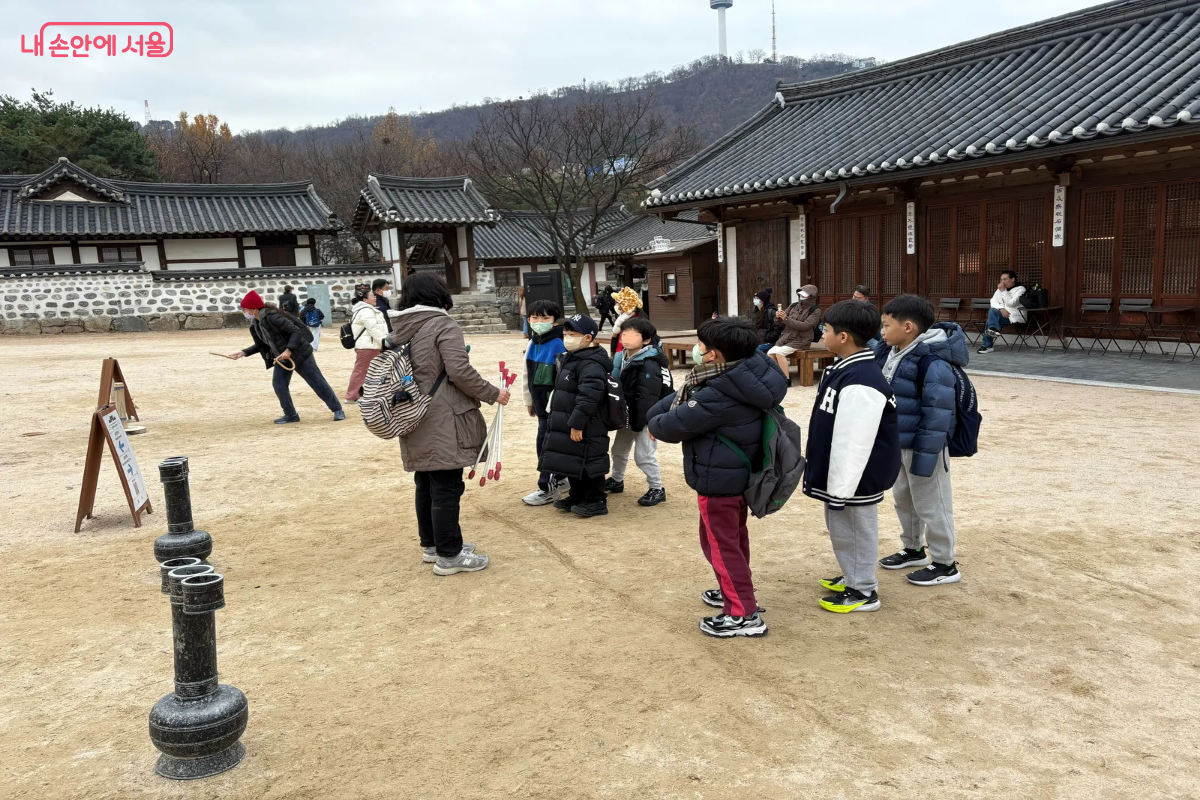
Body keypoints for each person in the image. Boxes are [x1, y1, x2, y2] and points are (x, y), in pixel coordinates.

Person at [647, 317, 787, 638]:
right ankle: (737, 591)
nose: (697, 350)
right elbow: (675, 405)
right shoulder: (751, 372)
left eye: (701, 345)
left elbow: (665, 425)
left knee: (721, 545)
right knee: (733, 539)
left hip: (718, 478)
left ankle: (742, 613)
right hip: (739, 475)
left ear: (714, 355)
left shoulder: (717, 393)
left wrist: (657, 416)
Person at [387, 272, 510, 575]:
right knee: (445, 484)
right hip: (442, 415)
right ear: (438, 294)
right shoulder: (443, 324)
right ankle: (449, 554)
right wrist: (493, 393)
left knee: (426, 481)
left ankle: (432, 545)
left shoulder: (402, 327)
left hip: (413, 411)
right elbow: (459, 370)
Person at [802, 300, 901, 613]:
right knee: (842, 528)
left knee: (856, 529)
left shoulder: (861, 380)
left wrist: (841, 489)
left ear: (843, 337)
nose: (823, 333)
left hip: (857, 476)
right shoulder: (847, 369)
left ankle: (863, 590)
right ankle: (853, 575)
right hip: (843, 474)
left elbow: (855, 442)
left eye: (826, 329)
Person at [874, 294, 969, 586]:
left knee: (933, 502)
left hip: (924, 445)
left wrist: (927, 454)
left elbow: (938, 412)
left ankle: (945, 562)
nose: (881, 331)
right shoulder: (889, 352)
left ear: (908, 327)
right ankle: (914, 548)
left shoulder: (931, 361)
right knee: (904, 498)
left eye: (885, 325)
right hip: (898, 441)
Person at [226, 290, 344, 424]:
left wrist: (289, 350)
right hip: (282, 358)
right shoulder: (256, 323)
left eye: (245, 309)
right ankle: (291, 414)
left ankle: (337, 409)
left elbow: (295, 331)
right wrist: (243, 352)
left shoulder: (272, 317)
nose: (244, 312)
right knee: (279, 385)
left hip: (300, 353)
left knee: (317, 382)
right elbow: (264, 343)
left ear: (253, 309)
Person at [540, 314, 613, 517]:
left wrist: (577, 423)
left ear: (588, 338)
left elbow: (589, 398)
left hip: (587, 423)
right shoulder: (574, 357)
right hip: (570, 419)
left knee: (590, 461)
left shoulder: (591, 364)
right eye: (565, 333)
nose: (567, 337)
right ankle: (578, 494)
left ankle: (596, 500)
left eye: (572, 334)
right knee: (572, 458)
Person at [606, 316, 670, 507]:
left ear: (646, 340)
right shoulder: (622, 357)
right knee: (618, 450)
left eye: (633, 334)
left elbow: (648, 397)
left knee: (644, 455)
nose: (626, 337)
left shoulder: (649, 363)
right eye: (624, 333)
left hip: (646, 417)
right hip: (627, 414)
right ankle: (616, 480)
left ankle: (657, 488)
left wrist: (643, 421)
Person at [521, 299, 570, 506]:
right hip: (541, 407)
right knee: (546, 443)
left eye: (545, 317)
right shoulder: (533, 342)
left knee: (548, 445)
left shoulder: (559, 343)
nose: (539, 321)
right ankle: (561, 478)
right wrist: (529, 400)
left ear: (554, 321)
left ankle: (548, 487)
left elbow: (564, 378)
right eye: (535, 317)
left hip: (556, 407)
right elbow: (527, 375)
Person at [767, 284, 822, 385]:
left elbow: (805, 325)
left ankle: (786, 379)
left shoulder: (815, 310)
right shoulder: (793, 305)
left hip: (801, 340)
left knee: (779, 353)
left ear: (811, 295)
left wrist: (786, 319)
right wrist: (778, 317)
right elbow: (779, 321)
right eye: (800, 293)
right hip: (786, 338)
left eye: (804, 294)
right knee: (770, 353)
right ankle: (779, 376)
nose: (801, 295)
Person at [344, 285, 388, 403]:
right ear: (365, 300)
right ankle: (351, 396)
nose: (375, 298)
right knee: (361, 371)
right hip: (368, 346)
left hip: (370, 345)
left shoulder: (366, 310)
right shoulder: (366, 311)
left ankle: (364, 394)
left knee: (370, 371)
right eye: (372, 296)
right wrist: (384, 342)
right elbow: (373, 328)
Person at [978, 271, 1026, 354]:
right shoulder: (999, 290)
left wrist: (1004, 291)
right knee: (992, 313)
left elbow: (1012, 303)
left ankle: (987, 345)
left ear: (1013, 279)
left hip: (1013, 316)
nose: (1002, 282)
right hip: (1002, 315)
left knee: (990, 320)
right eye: (1001, 280)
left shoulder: (1021, 289)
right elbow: (993, 301)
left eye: (1005, 279)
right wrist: (1001, 309)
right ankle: (993, 330)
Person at [609, 286, 647, 355]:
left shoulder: (631, 322)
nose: (616, 305)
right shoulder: (633, 317)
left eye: (618, 303)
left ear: (625, 305)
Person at [853, 285, 883, 350]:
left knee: (877, 347)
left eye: (859, 298)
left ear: (866, 298)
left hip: (867, 338)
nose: (855, 299)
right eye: (854, 296)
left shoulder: (871, 309)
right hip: (852, 336)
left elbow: (876, 329)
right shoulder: (849, 306)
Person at [751, 288, 779, 352]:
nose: (755, 300)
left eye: (757, 298)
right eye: (754, 298)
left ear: (763, 300)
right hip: (758, 341)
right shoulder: (756, 311)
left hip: (769, 342)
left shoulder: (771, 312)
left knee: (755, 352)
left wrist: (770, 338)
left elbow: (778, 327)